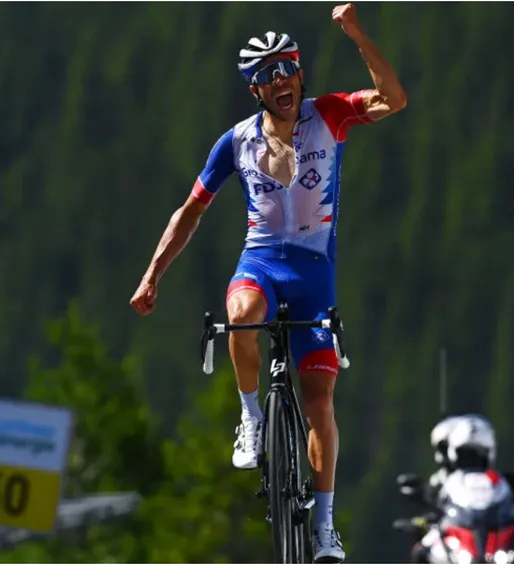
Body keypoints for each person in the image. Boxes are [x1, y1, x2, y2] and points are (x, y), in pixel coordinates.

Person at [128, 4, 406, 562]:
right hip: (262, 260)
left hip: (313, 273)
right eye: (265, 76)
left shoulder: (330, 115)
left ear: (301, 73)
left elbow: (393, 100)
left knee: (321, 399)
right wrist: (152, 274)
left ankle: (324, 528)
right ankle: (251, 418)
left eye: (287, 69)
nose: (279, 81)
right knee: (242, 311)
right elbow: (190, 211)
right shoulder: (235, 142)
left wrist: (355, 34)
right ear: (253, 90)